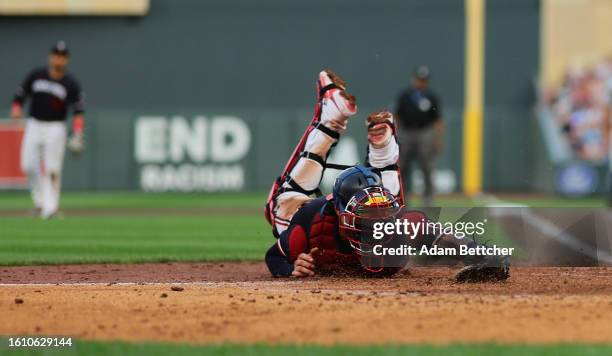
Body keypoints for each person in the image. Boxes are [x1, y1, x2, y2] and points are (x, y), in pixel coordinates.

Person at [263, 70, 508, 282]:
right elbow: (274, 256)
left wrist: (481, 256)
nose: (377, 224)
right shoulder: (311, 222)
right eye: (366, 217)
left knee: (389, 201)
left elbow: (447, 239)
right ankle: (333, 125)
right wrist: (290, 267)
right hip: (309, 214)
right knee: (283, 207)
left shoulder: (400, 225)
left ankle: (378, 152)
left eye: (382, 214)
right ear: (339, 213)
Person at [10, 41, 86, 218]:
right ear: (50, 57)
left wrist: (78, 132)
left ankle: (51, 208)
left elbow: (78, 111)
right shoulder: (36, 75)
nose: (58, 59)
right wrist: (16, 107)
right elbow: (20, 94)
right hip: (34, 124)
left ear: (66, 60)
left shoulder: (71, 83)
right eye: (56, 55)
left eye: (62, 57)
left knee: (53, 168)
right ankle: (40, 203)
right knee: (27, 165)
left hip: (56, 127)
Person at [395, 65, 443, 207]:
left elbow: (438, 120)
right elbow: (397, 116)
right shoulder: (405, 95)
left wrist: (438, 139)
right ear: (414, 79)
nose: (421, 82)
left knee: (427, 167)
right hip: (407, 132)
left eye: (424, 80)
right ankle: (404, 197)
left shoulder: (431, 97)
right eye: (419, 79)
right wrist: (395, 135)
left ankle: (428, 198)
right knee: (403, 167)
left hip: (425, 132)